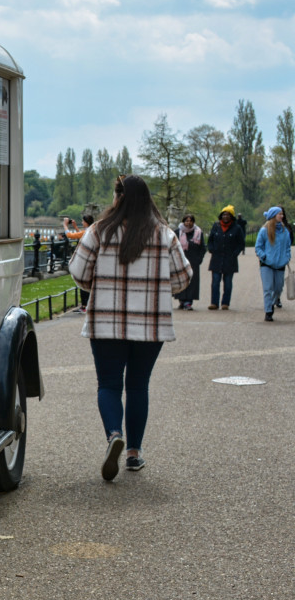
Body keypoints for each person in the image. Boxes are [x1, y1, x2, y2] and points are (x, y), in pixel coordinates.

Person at [68, 175, 192, 479]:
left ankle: (114, 435)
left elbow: (79, 272)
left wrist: (99, 285)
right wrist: (158, 289)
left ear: (118, 198)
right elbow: (183, 279)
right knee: (138, 386)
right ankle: (134, 453)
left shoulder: (98, 231)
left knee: (108, 385)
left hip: (106, 323)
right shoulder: (165, 235)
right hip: (150, 325)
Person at [254, 206, 292, 322]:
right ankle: (268, 310)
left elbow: (287, 248)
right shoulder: (264, 230)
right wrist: (263, 256)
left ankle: (274, 300)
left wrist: (286, 258)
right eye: (280, 214)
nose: (282, 216)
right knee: (268, 288)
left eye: (282, 214)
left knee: (278, 288)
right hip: (266, 264)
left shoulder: (285, 231)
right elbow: (258, 247)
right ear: (273, 216)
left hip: (280, 264)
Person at [207, 205, 245, 310]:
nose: (225, 217)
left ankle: (225, 303)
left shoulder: (237, 228)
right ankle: (214, 303)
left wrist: (235, 253)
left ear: (231, 216)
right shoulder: (216, 226)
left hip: (230, 260)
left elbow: (241, 244)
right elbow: (210, 240)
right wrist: (211, 249)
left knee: (227, 283)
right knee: (215, 282)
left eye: (228, 215)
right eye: (224, 214)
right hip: (216, 259)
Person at [174, 214, 206, 310]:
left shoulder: (198, 232)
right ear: (183, 222)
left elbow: (202, 247)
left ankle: (188, 302)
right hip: (180, 260)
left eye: (190, 221)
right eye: (187, 221)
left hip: (193, 261)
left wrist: (199, 259)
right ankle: (182, 300)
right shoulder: (177, 232)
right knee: (181, 280)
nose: (188, 223)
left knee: (192, 281)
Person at [78, 213, 95, 311]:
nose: (82, 222)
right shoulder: (92, 230)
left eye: (83, 221)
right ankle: (86, 304)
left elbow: (71, 235)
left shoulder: (87, 231)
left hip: (85, 261)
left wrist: (65, 225)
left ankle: (84, 305)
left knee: (83, 281)